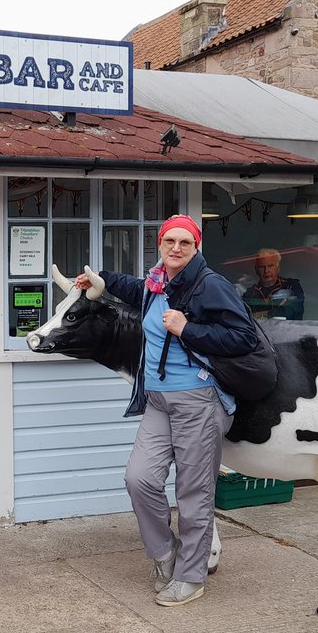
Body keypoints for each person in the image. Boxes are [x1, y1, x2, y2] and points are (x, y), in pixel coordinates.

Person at [75, 215, 257, 607]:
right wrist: (99, 278)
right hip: (158, 401)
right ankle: (164, 553)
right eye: (169, 241)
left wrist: (186, 329)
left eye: (184, 242)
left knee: (193, 493)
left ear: (196, 247)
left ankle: (191, 576)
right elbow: (133, 287)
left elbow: (244, 336)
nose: (176, 248)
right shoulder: (157, 284)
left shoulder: (210, 284)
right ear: (160, 244)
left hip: (198, 401)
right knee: (138, 479)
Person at [242, 248, 304, 319]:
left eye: (270, 266)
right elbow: (243, 316)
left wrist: (260, 315)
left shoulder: (291, 286)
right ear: (256, 270)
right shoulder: (249, 294)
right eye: (261, 267)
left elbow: (290, 311)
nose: (266, 271)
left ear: (278, 268)